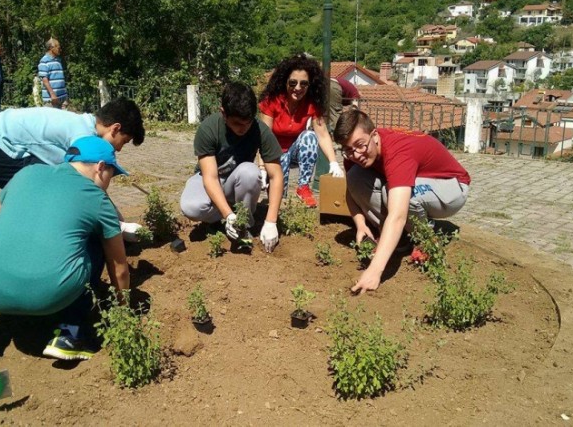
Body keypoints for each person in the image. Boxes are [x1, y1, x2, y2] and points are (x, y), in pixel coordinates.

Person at [0, 135, 131, 366]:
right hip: (52, 296)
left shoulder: (27, 174)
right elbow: (119, 268)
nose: (110, 181)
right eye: (112, 174)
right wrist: (124, 313)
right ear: (100, 167)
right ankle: (69, 333)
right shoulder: (98, 198)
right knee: (95, 242)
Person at [333, 110, 471, 295]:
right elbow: (350, 189)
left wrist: (374, 271)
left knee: (402, 197)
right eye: (348, 149)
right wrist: (360, 224)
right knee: (355, 176)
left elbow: (397, 215)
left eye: (360, 145)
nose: (356, 154)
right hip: (420, 182)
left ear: (374, 136)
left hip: (452, 187)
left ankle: (426, 240)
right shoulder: (355, 152)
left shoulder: (398, 152)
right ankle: (401, 237)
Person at [180, 82, 283, 252]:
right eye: (236, 123)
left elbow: (276, 175)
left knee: (250, 173)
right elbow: (210, 177)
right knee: (191, 207)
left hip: (237, 180)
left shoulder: (260, 130)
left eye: (247, 123)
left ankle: (243, 225)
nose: (242, 129)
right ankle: (221, 220)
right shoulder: (209, 129)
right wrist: (228, 215)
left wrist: (271, 221)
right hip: (211, 179)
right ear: (223, 113)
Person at [0, 98, 144, 189]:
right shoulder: (83, 136)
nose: (119, 148)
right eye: (124, 141)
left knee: (41, 186)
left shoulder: (82, 123)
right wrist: (115, 224)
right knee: (47, 188)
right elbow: (86, 186)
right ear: (115, 128)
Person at [258, 54, 344, 208]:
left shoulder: (311, 103)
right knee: (278, 197)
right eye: (292, 83)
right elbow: (264, 136)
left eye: (303, 84)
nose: (298, 88)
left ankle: (303, 187)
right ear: (284, 82)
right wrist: (262, 167)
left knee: (310, 137)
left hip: (295, 150)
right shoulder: (272, 101)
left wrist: (333, 162)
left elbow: (322, 134)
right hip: (275, 154)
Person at [38, 38, 68, 108]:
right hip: (51, 99)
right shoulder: (44, 61)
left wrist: (65, 96)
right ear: (51, 48)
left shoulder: (58, 60)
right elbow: (45, 80)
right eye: (58, 47)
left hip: (62, 98)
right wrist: (52, 94)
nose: (60, 50)